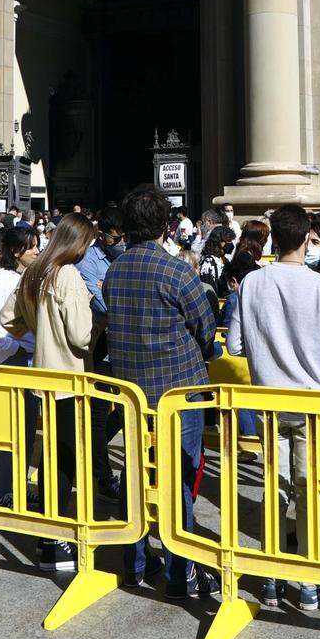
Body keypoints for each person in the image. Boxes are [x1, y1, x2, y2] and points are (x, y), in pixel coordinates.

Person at [229, 203, 320, 610]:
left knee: (276, 489)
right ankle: (307, 582)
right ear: (305, 240)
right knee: (307, 490)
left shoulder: (251, 283)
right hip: (310, 401)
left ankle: (270, 577)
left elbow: (233, 345)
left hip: (267, 399)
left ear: (272, 239)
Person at [100, 183, 219, 597]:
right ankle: (179, 570)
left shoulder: (114, 271)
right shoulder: (177, 271)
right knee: (178, 480)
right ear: (166, 226)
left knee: (135, 475)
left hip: (132, 393)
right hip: (178, 394)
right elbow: (205, 330)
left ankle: (134, 563)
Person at [3, 214, 97, 570]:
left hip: (43, 373)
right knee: (65, 458)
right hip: (70, 377)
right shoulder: (67, 274)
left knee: (49, 455)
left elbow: (7, 318)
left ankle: (48, 535)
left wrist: (38, 333)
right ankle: (57, 538)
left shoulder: (35, 271)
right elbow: (80, 336)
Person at [0, 227, 38, 366]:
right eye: (31, 247)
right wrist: (15, 348)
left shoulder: (30, 277)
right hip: (11, 360)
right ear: (16, 251)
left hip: (33, 355)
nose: (37, 252)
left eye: (37, 246)